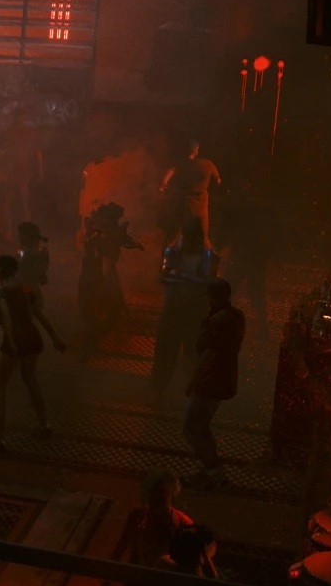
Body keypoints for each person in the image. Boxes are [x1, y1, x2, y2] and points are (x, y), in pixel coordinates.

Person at [0, 252, 63, 448]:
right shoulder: (25, 289)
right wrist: (55, 338)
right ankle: (44, 424)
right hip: (32, 338)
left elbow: (6, 317)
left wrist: (11, 343)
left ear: (1, 270)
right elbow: (38, 314)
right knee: (30, 379)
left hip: (16, 340)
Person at [183, 278, 246, 483]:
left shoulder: (219, 320)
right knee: (201, 426)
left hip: (210, 381)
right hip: (224, 377)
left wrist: (192, 383)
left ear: (212, 297)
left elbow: (209, 354)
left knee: (192, 428)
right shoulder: (236, 316)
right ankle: (213, 469)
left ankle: (213, 470)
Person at [151, 224, 222, 399]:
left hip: (193, 312)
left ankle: (190, 392)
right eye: (188, 238)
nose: (189, 242)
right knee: (166, 354)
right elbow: (163, 277)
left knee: (191, 356)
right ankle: (158, 391)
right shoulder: (174, 253)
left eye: (193, 239)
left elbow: (210, 283)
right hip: (175, 310)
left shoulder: (208, 257)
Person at [77, 202, 135, 346]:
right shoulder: (97, 230)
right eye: (115, 219)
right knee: (92, 304)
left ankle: (96, 331)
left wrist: (131, 242)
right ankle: (93, 332)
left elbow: (119, 241)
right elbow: (98, 246)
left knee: (107, 303)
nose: (116, 222)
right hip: (94, 273)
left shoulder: (107, 229)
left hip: (99, 272)